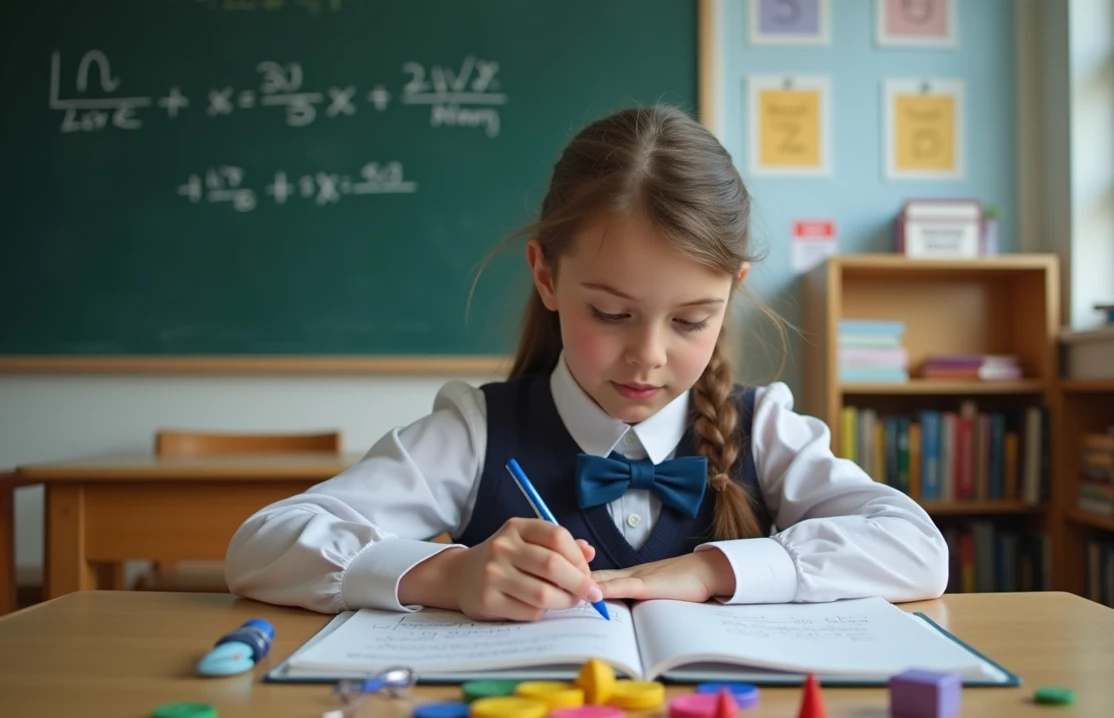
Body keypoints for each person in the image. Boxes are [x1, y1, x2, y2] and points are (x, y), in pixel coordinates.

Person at [225, 105, 947, 619]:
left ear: (732, 295)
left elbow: (917, 548)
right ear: (546, 278)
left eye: (692, 320)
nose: (649, 356)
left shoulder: (764, 430)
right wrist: (446, 574)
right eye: (610, 313)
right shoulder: (476, 431)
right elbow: (263, 545)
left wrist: (715, 569)